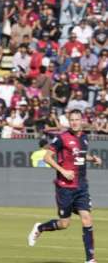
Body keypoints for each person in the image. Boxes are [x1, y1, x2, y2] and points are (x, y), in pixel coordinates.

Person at [27, 110, 102, 263]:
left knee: (87, 219)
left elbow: (79, 155)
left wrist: (92, 159)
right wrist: (62, 170)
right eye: (72, 120)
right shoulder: (61, 138)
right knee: (64, 224)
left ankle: (90, 260)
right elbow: (47, 157)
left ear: (82, 121)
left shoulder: (85, 138)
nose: (74, 122)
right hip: (65, 187)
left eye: (77, 119)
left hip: (81, 186)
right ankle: (40, 228)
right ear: (68, 121)